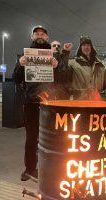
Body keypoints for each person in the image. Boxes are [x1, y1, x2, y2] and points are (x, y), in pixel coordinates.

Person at [13, 25, 70, 181]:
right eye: (36, 33)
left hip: (51, 104)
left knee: (54, 137)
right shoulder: (24, 55)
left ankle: (54, 167)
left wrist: (57, 67)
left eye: (42, 34)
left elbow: (65, 81)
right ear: (32, 37)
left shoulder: (55, 56)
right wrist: (20, 64)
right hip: (31, 103)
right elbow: (16, 79)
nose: (39, 35)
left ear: (47, 37)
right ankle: (30, 169)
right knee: (31, 138)